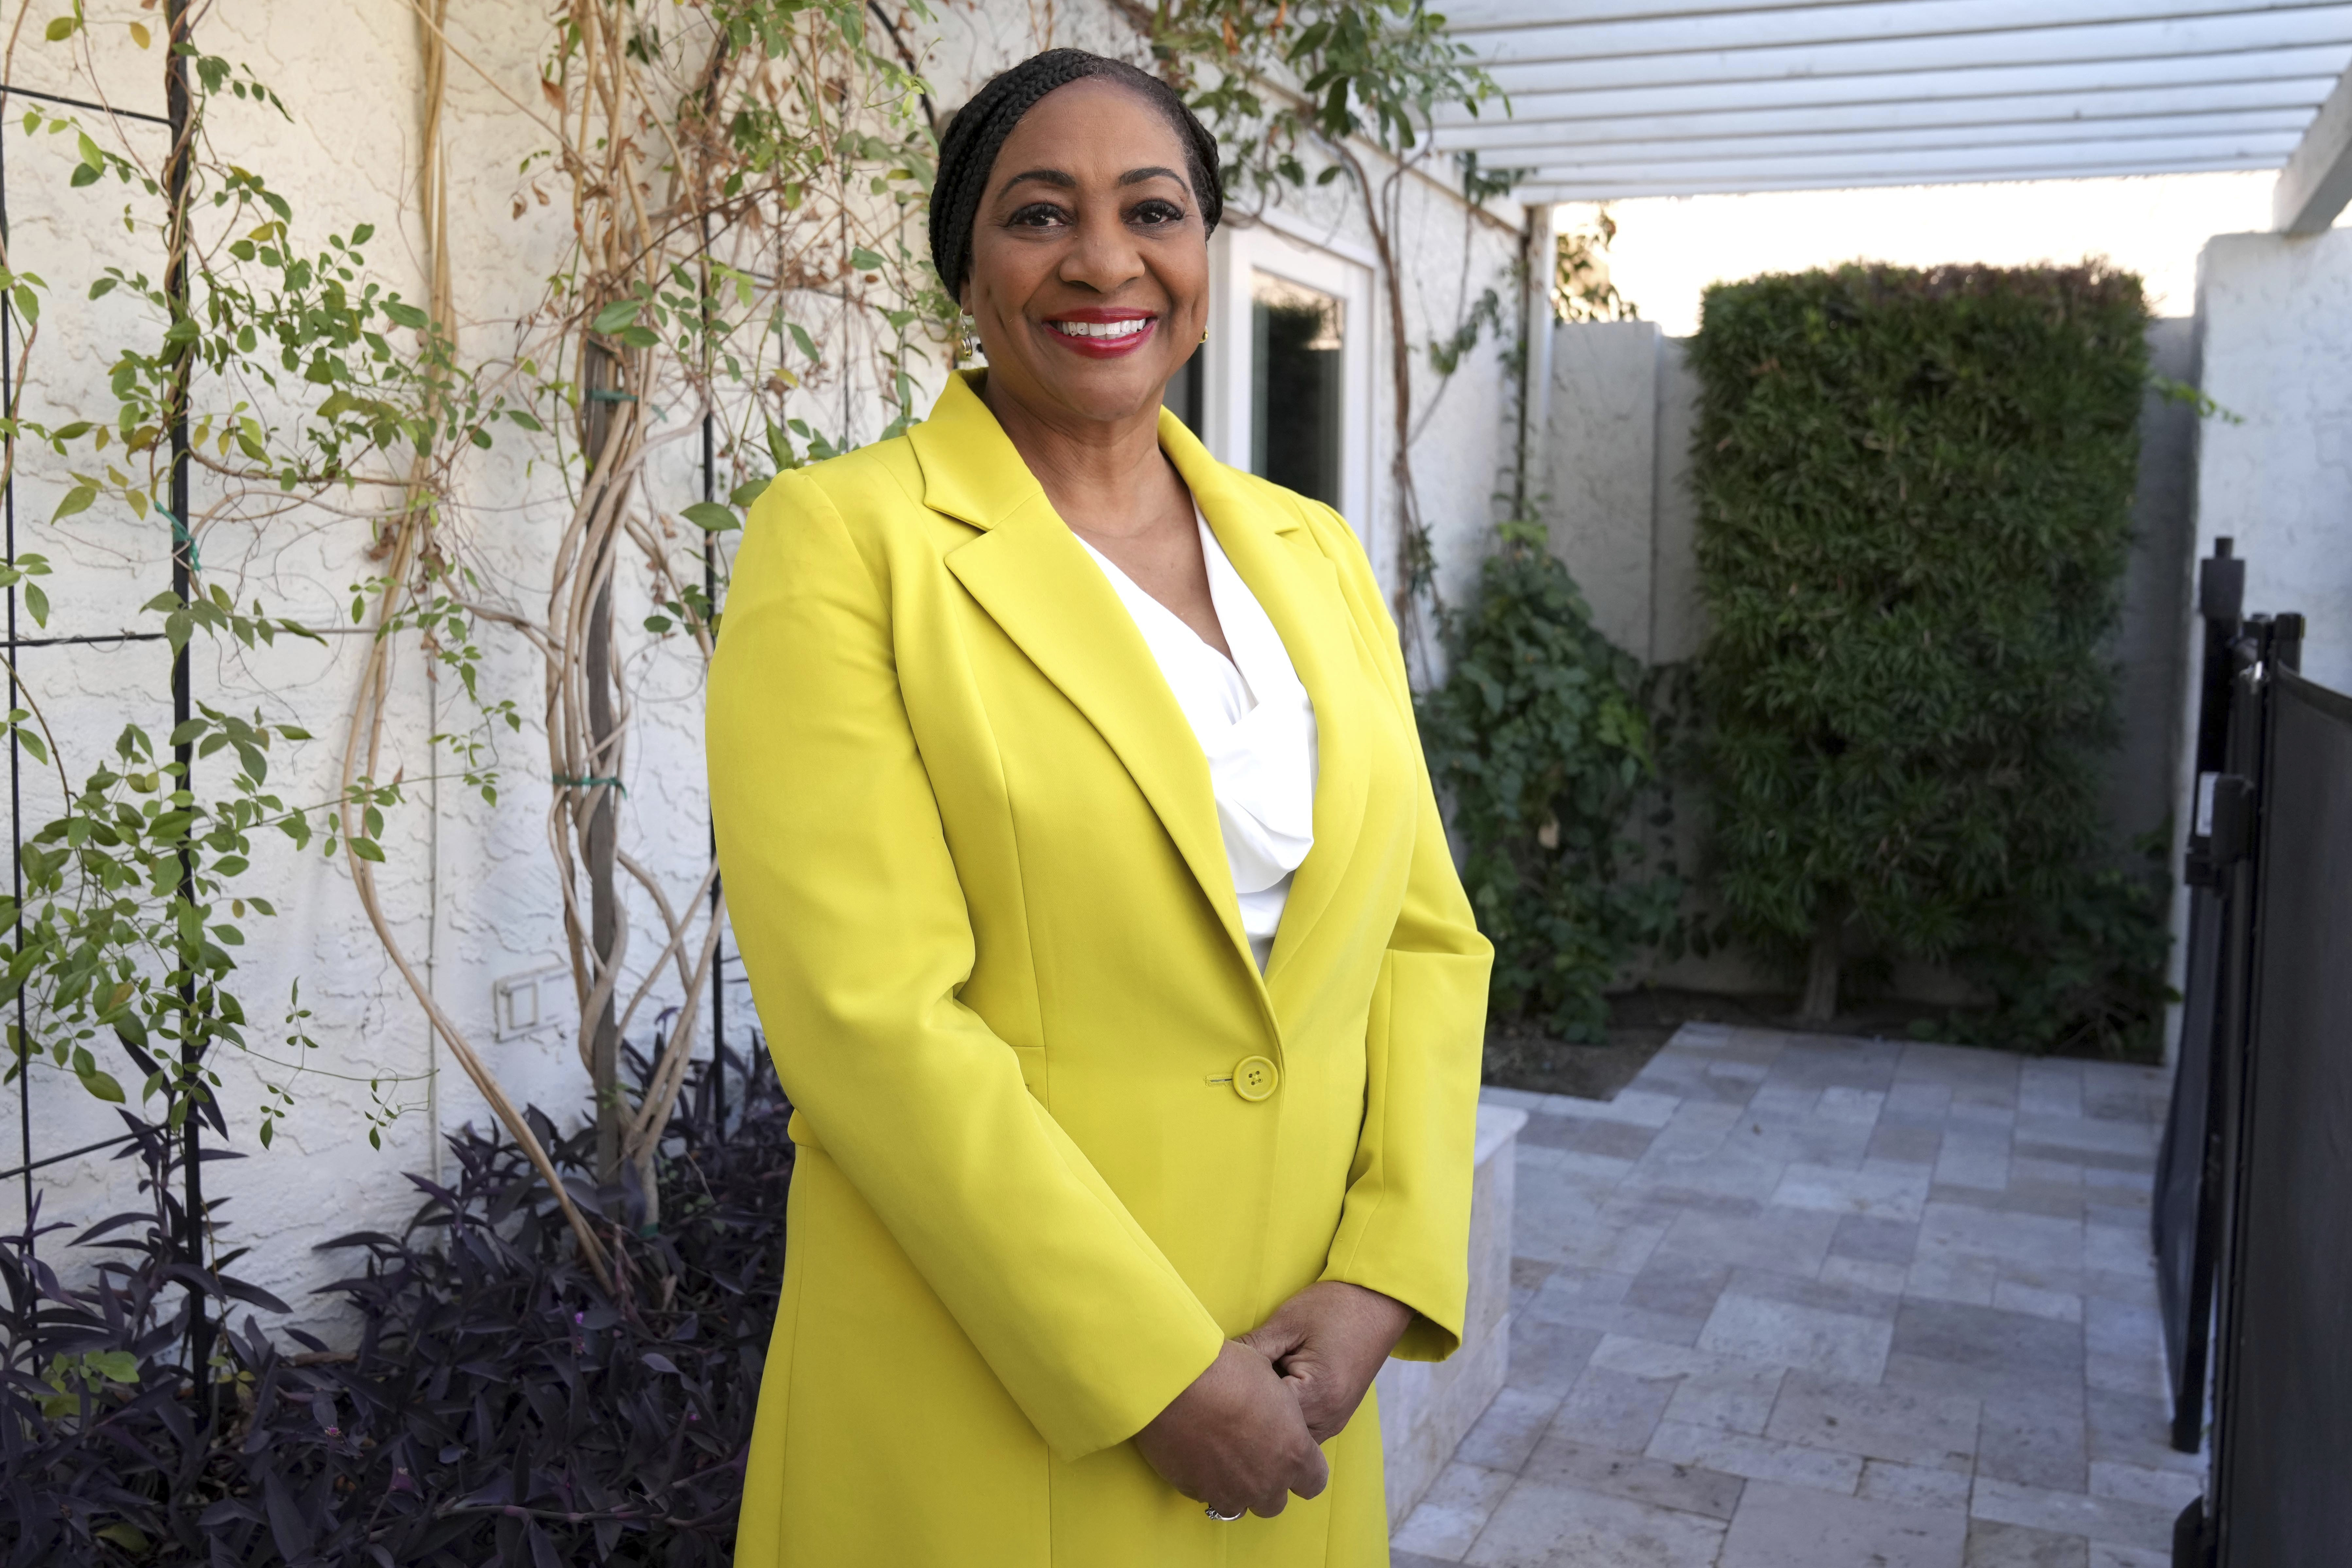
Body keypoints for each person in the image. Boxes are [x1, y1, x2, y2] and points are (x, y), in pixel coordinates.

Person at [708, 46, 1491, 1568]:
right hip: (996, 1390)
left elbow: (1420, 940)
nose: (1104, 259)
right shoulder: (846, 543)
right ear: (964, 262)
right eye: (1038, 214)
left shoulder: (1313, 551)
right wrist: (1151, 1368)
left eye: (1153, 209)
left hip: (1300, 1381)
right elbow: (870, 1019)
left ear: (1204, 250)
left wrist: (1383, 1277)